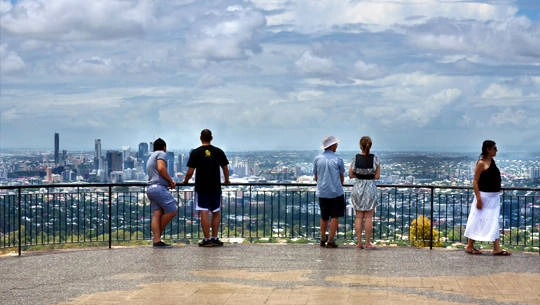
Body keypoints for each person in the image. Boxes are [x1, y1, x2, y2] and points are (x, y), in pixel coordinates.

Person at [183, 129, 230, 247]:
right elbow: (225, 167)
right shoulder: (218, 151)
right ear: (211, 138)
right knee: (216, 211)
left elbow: (190, 171)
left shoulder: (195, 152)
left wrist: (185, 181)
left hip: (201, 186)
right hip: (215, 186)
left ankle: (207, 239)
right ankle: (215, 238)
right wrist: (227, 180)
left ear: (200, 138)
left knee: (203, 211)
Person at [464, 140, 510, 256]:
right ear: (488, 149)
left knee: (493, 221)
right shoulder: (481, 163)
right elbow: (475, 182)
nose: (496, 150)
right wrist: (479, 199)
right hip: (484, 197)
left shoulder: (491, 161)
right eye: (494, 148)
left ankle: (495, 247)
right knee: (478, 220)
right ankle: (470, 246)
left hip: (494, 197)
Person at [348, 136, 381, 249]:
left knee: (358, 217)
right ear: (370, 145)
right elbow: (377, 177)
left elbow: (351, 175)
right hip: (370, 188)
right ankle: (367, 243)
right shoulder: (375, 158)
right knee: (368, 217)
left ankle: (359, 243)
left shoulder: (355, 158)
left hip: (358, 187)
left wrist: (359, 175)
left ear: (360, 145)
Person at [313, 136, 346, 248]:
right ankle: (331, 240)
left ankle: (322, 238)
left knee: (324, 217)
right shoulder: (338, 159)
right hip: (336, 192)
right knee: (335, 217)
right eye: (336, 144)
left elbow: (316, 176)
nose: (337, 145)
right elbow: (342, 177)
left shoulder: (317, 159)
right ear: (332, 146)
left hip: (322, 192)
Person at [146, 138, 178, 248]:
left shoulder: (151, 156)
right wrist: (170, 180)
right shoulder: (161, 154)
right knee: (173, 210)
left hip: (150, 188)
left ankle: (156, 240)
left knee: (157, 213)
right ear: (164, 147)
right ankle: (157, 236)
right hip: (159, 188)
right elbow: (161, 168)